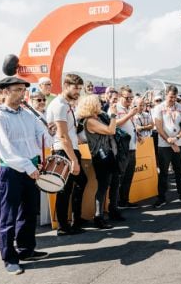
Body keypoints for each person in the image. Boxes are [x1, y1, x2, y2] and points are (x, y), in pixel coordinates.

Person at [0, 75, 51, 275]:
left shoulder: (27, 114)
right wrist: (28, 166)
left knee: (29, 212)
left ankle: (26, 250)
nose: (22, 93)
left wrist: (49, 133)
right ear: (5, 92)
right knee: (8, 216)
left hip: (30, 168)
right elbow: (5, 149)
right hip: (12, 170)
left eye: (23, 90)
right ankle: (9, 257)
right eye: (17, 89)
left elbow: (42, 137)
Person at [46, 73, 87, 236]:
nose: (78, 92)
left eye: (79, 88)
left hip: (71, 148)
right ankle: (64, 225)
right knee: (65, 189)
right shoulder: (59, 105)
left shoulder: (67, 104)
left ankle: (75, 220)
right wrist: (73, 160)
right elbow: (62, 136)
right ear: (66, 86)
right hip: (64, 151)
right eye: (75, 88)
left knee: (79, 183)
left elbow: (70, 131)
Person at [76, 95, 117, 229]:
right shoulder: (90, 121)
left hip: (106, 155)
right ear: (92, 105)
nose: (100, 104)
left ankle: (100, 215)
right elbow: (111, 130)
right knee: (102, 187)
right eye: (98, 103)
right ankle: (98, 217)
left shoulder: (96, 118)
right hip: (100, 157)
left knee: (106, 186)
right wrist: (113, 115)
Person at [153, 85, 181, 207]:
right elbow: (159, 127)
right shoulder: (159, 107)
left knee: (179, 171)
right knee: (164, 172)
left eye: (175, 97)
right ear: (166, 95)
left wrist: (176, 138)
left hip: (179, 143)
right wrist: (169, 141)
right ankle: (161, 198)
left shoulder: (180, 107)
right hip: (164, 144)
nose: (173, 99)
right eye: (171, 97)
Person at [115, 86, 139, 210]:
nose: (129, 100)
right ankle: (116, 203)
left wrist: (137, 133)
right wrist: (129, 115)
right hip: (122, 149)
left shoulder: (129, 108)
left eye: (131, 98)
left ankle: (125, 200)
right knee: (120, 177)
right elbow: (114, 124)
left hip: (132, 147)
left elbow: (131, 125)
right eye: (127, 98)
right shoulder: (115, 108)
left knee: (129, 176)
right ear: (120, 96)